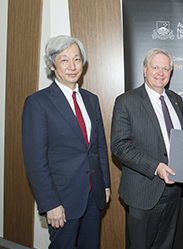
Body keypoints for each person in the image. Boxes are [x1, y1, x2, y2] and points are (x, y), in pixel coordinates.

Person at [22, 35, 111, 248]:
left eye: (77, 59)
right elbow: (35, 160)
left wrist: (105, 184)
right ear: (52, 65)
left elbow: (98, 148)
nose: (72, 66)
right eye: (64, 60)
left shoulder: (91, 99)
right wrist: (50, 203)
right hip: (62, 199)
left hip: (93, 196)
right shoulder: (38, 102)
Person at [111, 48, 183, 249]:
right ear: (145, 69)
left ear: (171, 72)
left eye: (166, 68)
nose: (160, 72)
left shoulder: (176, 100)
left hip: (173, 190)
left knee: (165, 244)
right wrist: (156, 166)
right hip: (143, 192)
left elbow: (178, 140)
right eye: (155, 67)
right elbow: (120, 146)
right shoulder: (126, 101)